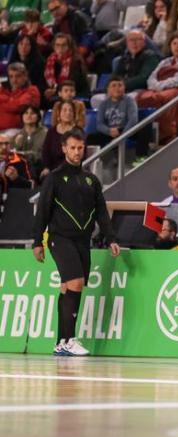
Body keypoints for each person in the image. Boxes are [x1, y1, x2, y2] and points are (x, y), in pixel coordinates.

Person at [32, 129, 121, 356]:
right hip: (60, 238)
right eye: (72, 147)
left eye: (80, 148)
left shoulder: (92, 180)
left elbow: (101, 212)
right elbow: (42, 211)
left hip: (82, 241)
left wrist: (111, 237)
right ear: (64, 148)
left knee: (67, 288)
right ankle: (69, 340)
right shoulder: (54, 178)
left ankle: (61, 343)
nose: (77, 152)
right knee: (76, 282)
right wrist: (37, 241)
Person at [136, 32, 178, 144]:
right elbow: (151, 78)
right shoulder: (165, 62)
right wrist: (156, 85)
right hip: (161, 89)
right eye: (174, 43)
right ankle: (145, 135)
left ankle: (167, 134)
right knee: (140, 97)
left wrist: (161, 85)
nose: (177, 46)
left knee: (163, 97)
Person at [88, 76, 139, 148]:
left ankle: (141, 154)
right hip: (110, 131)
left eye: (120, 85)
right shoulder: (103, 104)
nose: (117, 88)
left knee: (144, 130)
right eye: (114, 86)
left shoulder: (130, 101)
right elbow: (99, 124)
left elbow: (133, 120)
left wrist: (123, 135)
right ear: (108, 89)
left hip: (125, 130)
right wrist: (108, 131)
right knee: (91, 138)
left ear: (124, 88)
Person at [43, 33, 89, 106]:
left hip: (75, 93)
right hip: (58, 93)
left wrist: (55, 91)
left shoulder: (76, 61)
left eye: (63, 45)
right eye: (57, 45)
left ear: (69, 47)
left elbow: (72, 83)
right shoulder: (50, 60)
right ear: (53, 47)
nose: (60, 48)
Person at [0, 62, 41, 137]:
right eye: (11, 76)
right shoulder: (3, 89)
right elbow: (14, 105)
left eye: (17, 76)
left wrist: (3, 103)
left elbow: (18, 107)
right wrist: (11, 101)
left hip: (18, 130)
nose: (14, 80)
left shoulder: (32, 90)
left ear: (25, 76)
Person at [41, 101, 78, 178]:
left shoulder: (78, 132)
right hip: (52, 170)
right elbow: (46, 152)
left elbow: (80, 155)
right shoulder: (51, 131)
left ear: (73, 114)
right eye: (64, 110)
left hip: (71, 170)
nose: (68, 113)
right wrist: (46, 167)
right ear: (59, 113)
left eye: (70, 110)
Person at [13, 105, 46, 177]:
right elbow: (13, 156)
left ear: (38, 116)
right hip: (21, 168)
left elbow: (46, 154)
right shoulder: (17, 136)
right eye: (26, 113)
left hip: (40, 167)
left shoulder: (45, 133)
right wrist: (17, 145)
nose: (29, 116)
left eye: (32, 113)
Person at [0, 134, 33, 199]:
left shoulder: (21, 161)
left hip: (13, 200)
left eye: (6, 143)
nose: (4, 147)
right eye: (0, 144)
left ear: (11, 145)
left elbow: (30, 186)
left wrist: (16, 178)